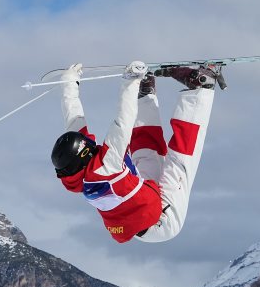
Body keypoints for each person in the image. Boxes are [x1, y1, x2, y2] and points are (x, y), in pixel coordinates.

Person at [50, 60, 221, 243]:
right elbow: (124, 121)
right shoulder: (106, 166)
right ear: (84, 156)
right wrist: (130, 81)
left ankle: (144, 94)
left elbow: (74, 121)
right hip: (162, 221)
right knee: (179, 161)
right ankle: (201, 87)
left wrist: (69, 84)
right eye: (89, 147)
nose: (92, 145)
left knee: (144, 153)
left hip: (139, 207)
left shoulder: (76, 172)